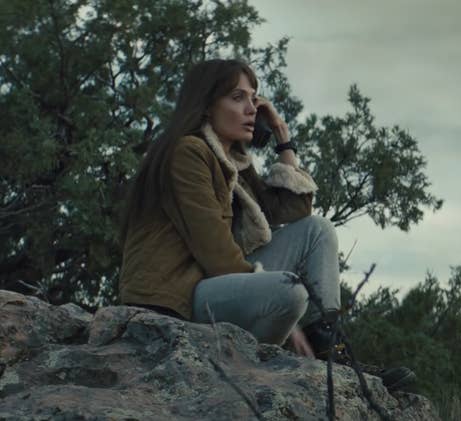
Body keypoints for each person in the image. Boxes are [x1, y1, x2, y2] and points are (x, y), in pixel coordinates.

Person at [118, 59, 415, 391]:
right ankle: (256, 372)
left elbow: (296, 208)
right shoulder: (187, 152)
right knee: (288, 291)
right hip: (174, 299)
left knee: (317, 230)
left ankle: (331, 352)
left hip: (209, 287)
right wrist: (291, 321)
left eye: (254, 99)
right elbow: (216, 253)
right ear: (205, 106)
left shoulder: (233, 163)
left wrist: (282, 136)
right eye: (237, 97)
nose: (250, 109)